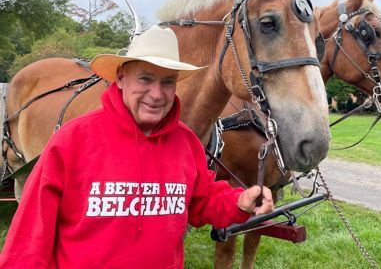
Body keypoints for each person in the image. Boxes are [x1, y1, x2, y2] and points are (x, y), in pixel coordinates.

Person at [0, 25, 274, 268]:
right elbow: (29, 236)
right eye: (145, 79)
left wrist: (238, 201)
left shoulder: (185, 142)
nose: (156, 94)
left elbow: (199, 201)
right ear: (120, 78)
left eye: (167, 82)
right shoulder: (73, 140)